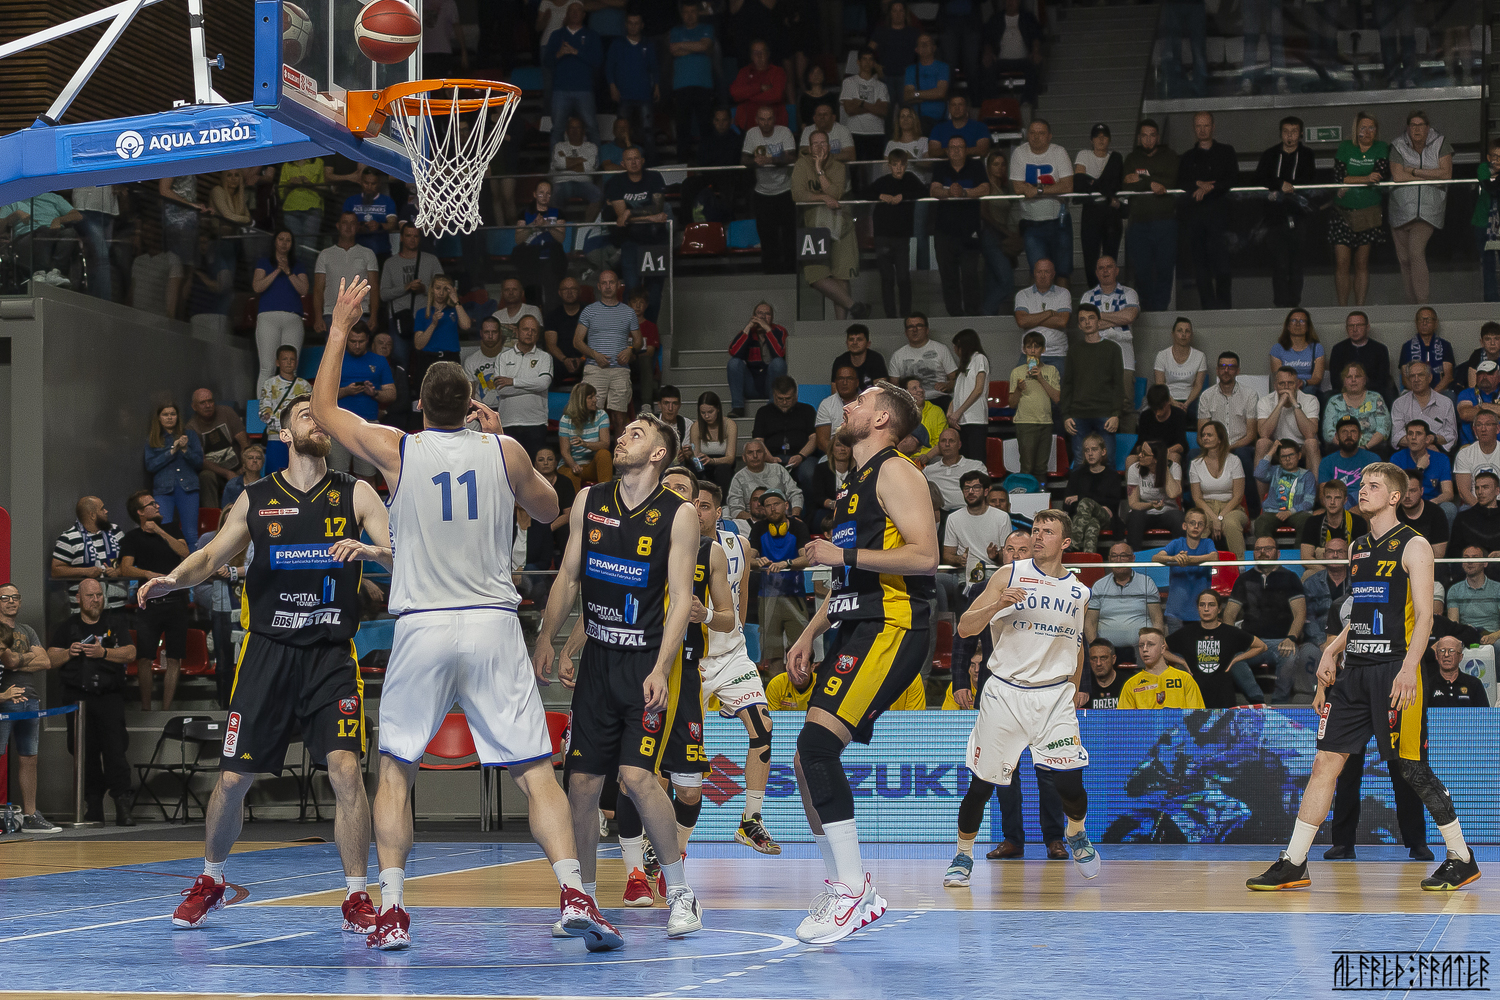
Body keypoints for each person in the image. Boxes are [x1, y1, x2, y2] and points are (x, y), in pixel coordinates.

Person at [313, 278, 622, 950]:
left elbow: (324, 408)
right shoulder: (503, 450)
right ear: (474, 406)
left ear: (420, 407)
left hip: (423, 624)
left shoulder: (399, 449)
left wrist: (339, 327)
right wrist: (506, 445)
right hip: (491, 625)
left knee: (397, 769)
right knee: (534, 770)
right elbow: (550, 510)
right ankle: (575, 892)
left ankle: (393, 909)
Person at [143, 393, 385, 932]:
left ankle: (356, 895)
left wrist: (372, 552)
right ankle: (211, 879)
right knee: (233, 779)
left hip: (330, 655)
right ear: (284, 435)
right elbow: (212, 555)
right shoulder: (257, 498)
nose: (317, 421)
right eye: (305, 415)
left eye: (322, 416)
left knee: (346, 771)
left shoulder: (356, 492)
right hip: (266, 653)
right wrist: (173, 580)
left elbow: (399, 552)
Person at [1249, 464, 1480, 892]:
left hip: (1397, 670)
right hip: (1354, 672)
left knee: (1412, 768)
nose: (1364, 490)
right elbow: (1360, 611)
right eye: (1363, 484)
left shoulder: (1415, 545)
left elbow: (1426, 618)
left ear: (1394, 497)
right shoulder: (1357, 547)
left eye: (1374, 486)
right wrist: (1331, 651)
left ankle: (1461, 857)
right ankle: (1294, 862)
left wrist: (1409, 669)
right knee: (1324, 762)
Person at [781, 381, 937, 942]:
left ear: (882, 419)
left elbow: (925, 556)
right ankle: (843, 885)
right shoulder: (853, 481)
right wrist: (809, 631)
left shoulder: (897, 471)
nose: (847, 406)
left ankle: (854, 889)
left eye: (860, 401)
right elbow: (851, 577)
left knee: (817, 748)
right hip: (853, 624)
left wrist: (839, 552)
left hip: (892, 624)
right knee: (805, 760)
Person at [948, 509, 1100, 890]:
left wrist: (1074, 689)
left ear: (1065, 542)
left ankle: (1076, 832)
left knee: (1070, 784)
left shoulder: (1079, 592)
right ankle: (963, 855)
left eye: (1047, 531)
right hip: (1005, 693)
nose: (1038, 536)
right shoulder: (1008, 575)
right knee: (981, 787)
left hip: (1054, 696)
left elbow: (1077, 646)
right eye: (1035, 529)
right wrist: (997, 605)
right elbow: (965, 627)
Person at [693, 480, 780, 852]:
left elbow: (740, 600)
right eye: (692, 504)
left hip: (731, 655)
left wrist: (739, 638)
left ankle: (751, 820)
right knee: (678, 750)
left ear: (718, 512)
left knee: (763, 726)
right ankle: (656, 836)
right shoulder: (673, 546)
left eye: (704, 506)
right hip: (691, 660)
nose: (697, 511)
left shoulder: (739, 546)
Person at [47, 579, 136, 825]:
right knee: (83, 754)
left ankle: (122, 806)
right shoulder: (67, 627)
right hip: (78, 700)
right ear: (79, 599)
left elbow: (131, 653)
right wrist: (69, 652)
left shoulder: (115, 623)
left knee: (116, 752)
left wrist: (104, 652)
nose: (95, 600)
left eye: (99, 595)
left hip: (109, 698)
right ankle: (92, 805)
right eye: (90, 596)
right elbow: (49, 659)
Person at [118, 490, 190, 711]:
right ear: (140, 512)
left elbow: (185, 552)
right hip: (149, 604)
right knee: (144, 657)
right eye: (151, 504)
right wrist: (147, 574)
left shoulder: (171, 528)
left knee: (175, 657)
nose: (157, 506)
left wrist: (159, 531)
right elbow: (125, 568)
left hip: (176, 601)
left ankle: (166, 709)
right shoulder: (132, 538)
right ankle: (146, 708)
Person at [0, 584, 61, 833]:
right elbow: (8, 661)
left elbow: (45, 661)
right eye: (5, 597)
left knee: (29, 758)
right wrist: (23, 658)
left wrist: (17, 661)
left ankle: (30, 815)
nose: (11, 601)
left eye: (15, 597)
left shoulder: (27, 630)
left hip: (30, 699)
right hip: (4, 701)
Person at [1226, 535, 1312, 703]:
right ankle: (1257, 700)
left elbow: (1300, 613)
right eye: (1258, 549)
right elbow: (1229, 614)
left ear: (1278, 553)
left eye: (1268, 549)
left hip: (1280, 642)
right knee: (1230, 655)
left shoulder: (1290, 578)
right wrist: (1233, 639)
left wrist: (1291, 638)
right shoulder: (1243, 580)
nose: (1263, 552)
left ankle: (1279, 702)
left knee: (1291, 655)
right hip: (1251, 642)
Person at [791, 131, 867, 320]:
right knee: (814, 276)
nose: (819, 147)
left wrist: (819, 170)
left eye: (823, 143)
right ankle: (855, 307)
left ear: (830, 146)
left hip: (841, 226)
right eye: (815, 144)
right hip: (813, 227)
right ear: (809, 148)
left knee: (841, 275)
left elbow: (836, 194)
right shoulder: (801, 164)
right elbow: (797, 194)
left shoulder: (838, 166)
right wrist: (823, 197)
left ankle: (841, 326)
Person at [1388, 111, 1453, 305]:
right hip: (1401, 208)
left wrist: (1414, 171)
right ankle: (1411, 304)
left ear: (1428, 127)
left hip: (1428, 209)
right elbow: (1398, 176)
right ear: (1408, 128)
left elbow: (1446, 174)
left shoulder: (1441, 143)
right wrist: (1431, 175)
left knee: (1416, 252)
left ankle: (1423, 305)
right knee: (1404, 259)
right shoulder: (1398, 145)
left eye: (1420, 125)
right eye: (1413, 125)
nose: (1416, 129)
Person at [1177, 112, 1237, 310]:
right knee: (1200, 267)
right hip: (1195, 220)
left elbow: (1232, 178)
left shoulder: (1226, 151)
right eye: (1198, 126)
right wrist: (1198, 183)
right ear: (1194, 128)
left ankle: (1225, 309)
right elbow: (1180, 182)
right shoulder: (1187, 157)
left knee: (1223, 267)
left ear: (1213, 126)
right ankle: (1208, 309)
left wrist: (1211, 187)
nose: (1202, 130)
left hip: (1220, 217)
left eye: (1206, 125)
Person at [1255, 116, 1318, 307]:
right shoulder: (1270, 154)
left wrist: (1292, 187)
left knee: (1297, 264)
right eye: (1286, 132)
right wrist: (1279, 185)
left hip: (1299, 217)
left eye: (1294, 132)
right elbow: (1259, 178)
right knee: (1280, 263)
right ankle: (1281, 305)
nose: (1290, 136)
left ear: (1300, 134)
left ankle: (1294, 305)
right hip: (1275, 218)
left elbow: (1310, 180)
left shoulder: (1307, 155)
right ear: (1281, 133)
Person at [748, 489, 811, 677]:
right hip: (767, 597)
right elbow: (748, 559)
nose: (772, 508)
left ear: (786, 505)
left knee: (800, 651)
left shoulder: (798, 527)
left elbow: (807, 558)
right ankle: (776, 690)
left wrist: (787, 563)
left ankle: (800, 688)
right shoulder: (759, 528)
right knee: (772, 654)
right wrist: (757, 562)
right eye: (767, 506)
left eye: (776, 504)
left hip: (795, 595)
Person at [1330, 112, 1390, 308]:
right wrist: (1365, 178)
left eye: (1371, 128)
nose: (1367, 132)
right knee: (1342, 262)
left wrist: (1352, 180)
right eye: (1363, 128)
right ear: (1356, 130)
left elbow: (1379, 175)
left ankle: (1360, 308)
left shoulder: (1381, 147)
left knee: (1362, 262)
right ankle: (1342, 308)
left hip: (1368, 210)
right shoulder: (1346, 147)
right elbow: (1339, 176)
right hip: (1343, 210)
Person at [1168, 590, 1266, 709]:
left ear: (1219, 609)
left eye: (1211, 605)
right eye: (1202, 605)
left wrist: (1236, 659)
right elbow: (1161, 648)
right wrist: (1182, 661)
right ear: (1198, 608)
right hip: (1195, 697)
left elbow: (1261, 646)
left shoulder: (1230, 632)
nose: (1206, 609)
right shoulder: (1186, 632)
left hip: (1224, 698)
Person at [1120, 119, 1180, 312]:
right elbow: (1126, 184)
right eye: (1144, 135)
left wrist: (1141, 179)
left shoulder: (1170, 156)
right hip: (1139, 224)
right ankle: (1146, 310)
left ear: (1158, 137)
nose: (1148, 139)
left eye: (1152, 135)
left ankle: (1161, 311)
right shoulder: (1132, 158)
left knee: (1165, 269)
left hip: (1165, 221)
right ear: (1139, 137)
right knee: (1142, 270)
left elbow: (1170, 182)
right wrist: (1151, 183)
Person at [602, 147, 669, 318]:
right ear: (623, 164)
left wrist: (631, 212)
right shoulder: (617, 182)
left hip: (656, 241)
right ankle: (631, 331)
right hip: (631, 241)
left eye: (636, 158)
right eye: (629, 159)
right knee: (631, 291)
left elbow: (657, 208)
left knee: (654, 293)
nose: (633, 162)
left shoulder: (654, 177)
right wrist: (650, 217)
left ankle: (650, 330)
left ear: (643, 161)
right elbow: (621, 217)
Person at [574, 270, 641, 435]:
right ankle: (593, 452)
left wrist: (630, 350)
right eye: (604, 283)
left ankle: (619, 452)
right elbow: (577, 341)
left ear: (618, 285)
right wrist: (595, 355)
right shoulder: (589, 311)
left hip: (620, 370)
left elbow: (638, 341)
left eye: (611, 282)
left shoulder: (628, 312)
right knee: (590, 416)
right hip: (595, 368)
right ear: (598, 286)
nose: (608, 286)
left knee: (620, 419)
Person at [1010, 119, 1075, 288]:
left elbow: (1067, 186)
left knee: (1062, 272)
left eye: (1041, 133)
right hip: (1031, 223)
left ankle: (1062, 305)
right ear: (1027, 135)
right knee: (1038, 272)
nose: (1036, 137)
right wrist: (1053, 189)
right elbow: (1018, 187)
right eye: (1032, 132)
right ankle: (1038, 305)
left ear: (1049, 136)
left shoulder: (1059, 152)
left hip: (1059, 221)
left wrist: (1038, 190)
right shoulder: (1020, 153)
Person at [929, 138, 989, 317]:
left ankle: (973, 314)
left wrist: (964, 192)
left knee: (970, 274)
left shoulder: (976, 166)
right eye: (952, 147)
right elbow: (934, 190)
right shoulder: (940, 167)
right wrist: (948, 192)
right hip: (944, 231)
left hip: (970, 230)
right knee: (948, 276)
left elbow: (985, 188)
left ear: (966, 150)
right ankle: (955, 315)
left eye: (960, 147)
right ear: (947, 151)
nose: (956, 150)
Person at [329, 325, 396, 483]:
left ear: (368, 340)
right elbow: (321, 393)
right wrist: (346, 391)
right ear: (346, 340)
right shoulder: (335, 359)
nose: (357, 345)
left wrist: (374, 393)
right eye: (353, 341)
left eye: (361, 341)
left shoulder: (379, 361)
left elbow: (392, 394)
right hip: (339, 424)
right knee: (337, 475)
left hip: (368, 424)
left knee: (367, 475)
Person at [484, 315, 554, 459]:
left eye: (533, 330)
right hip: (508, 422)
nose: (529, 333)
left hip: (536, 422)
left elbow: (543, 384)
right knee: (510, 466)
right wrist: (533, 384)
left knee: (534, 468)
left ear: (538, 335)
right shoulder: (503, 357)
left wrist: (513, 381)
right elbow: (502, 389)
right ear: (517, 331)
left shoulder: (545, 357)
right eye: (525, 329)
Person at [868, 150, 926, 319]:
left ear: (906, 165)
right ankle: (891, 316)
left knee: (903, 277)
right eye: (895, 165)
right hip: (883, 234)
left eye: (901, 165)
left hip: (901, 236)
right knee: (887, 278)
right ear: (889, 166)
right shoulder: (883, 182)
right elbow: (865, 192)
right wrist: (881, 195)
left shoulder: (910, 180)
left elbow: (924, 191)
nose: (898, 168)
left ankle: (906, 315)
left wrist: (903, 196)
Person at [741, 105, 798, 274]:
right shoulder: (752, 133)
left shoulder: (784, 132)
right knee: (767, 236)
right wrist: (755, 161)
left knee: (789, 235)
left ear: (774, 119)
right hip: (762, 193)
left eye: (769, 119)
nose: (766, 123)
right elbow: (744, 159)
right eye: (762, 119)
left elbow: (791, 157)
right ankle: (770, 273)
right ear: (756, 120)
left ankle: (790, 272)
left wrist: (770, 160)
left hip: (786, 191)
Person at [1087, 542, 1164, 663]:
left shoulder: (1146, 582)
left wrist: (1155, 645)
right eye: (1114, 556)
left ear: (1132, 558)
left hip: (1141, 648)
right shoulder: (1099, 586)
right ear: (1109, 559)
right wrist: (1096, 648)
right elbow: (1090, 623)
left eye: (1123, 556)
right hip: (1107, 651)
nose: (1118, 560)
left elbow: (1157, 620)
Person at [1081, 257, 1139, 417]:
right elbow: (1087, 325)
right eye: (1101, 268)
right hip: (1095, 357)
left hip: (1124, 356)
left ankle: (1126, 434)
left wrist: (1098, 316)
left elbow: (1129, 317)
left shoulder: (1129, 293)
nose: (1105, 271)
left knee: (1125, 404)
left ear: (1117, 270)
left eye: (1109, 267)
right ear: (1096, 273)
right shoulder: (1087, 296)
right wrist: (1118, 318)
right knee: (1098, 404)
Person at [251, 229, 310, 384]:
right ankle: (264, 401)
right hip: (268, 317)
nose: (284, 243)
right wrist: (278, 269)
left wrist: (289, 272)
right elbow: (257, 287)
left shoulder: (297, 265)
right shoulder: (264, 262)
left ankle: (290, 400)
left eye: (288, 240)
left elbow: (304, 289)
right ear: (275, 242)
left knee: (291, 368)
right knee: (267, 367)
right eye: (281, 239)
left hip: (293, 318)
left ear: (292, 244)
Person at [380, 224, 442, 369]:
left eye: (415, 236)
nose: (412, 239)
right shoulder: (390, 263)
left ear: (420, 239)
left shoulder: (431, 260)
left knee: (429, 363)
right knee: (400, 363)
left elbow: (443, 291)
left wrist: (424, 289)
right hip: (399, 319)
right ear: (401, 238)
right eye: (408, 236)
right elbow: (383, 294)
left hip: (426, 319)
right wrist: (406, 287)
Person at [52, 496, 128, 611]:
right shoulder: (68, 538)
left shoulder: (115, 531)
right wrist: (85, 571)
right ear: (92, 515)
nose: (106, 511)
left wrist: (118, 571)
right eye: (102, 509)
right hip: (83, 609)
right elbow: (56, 570)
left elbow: (129, 561)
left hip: (117, 605)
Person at [144, 402, 203, 550]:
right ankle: (168, 563)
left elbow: (199, 463)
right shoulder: (153, 438)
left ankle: (193, 563)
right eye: (165, 414)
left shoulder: (189, 435)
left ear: (178, 417)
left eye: (173, 414)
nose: (169, 417)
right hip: (163, 490)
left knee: (190, 533)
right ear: (159, 418)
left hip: (188, 488)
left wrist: (185, 450)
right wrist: (171, 451)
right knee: (164, 531)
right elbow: (150, 466)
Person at [544, 1, 603, 148]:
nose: (575, 13)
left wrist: (576, 52)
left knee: (591, 128)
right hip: (561, 89)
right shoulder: (557, 35)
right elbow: (547, 62)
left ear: (584, 15)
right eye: (572, 10)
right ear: (567, 14)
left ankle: (596, 161)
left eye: (578, 10)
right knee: (557, 129)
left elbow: (598, 61)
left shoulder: (592, 35)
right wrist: (559, 54)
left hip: (584, 89)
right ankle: (555, 162)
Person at [312, 213, 381, 335]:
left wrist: (374, 316)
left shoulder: (368, 254)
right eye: (344, 223)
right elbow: (318, 289)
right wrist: (318, 317)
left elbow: (374, 288)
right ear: (338, 226)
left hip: (361, 314)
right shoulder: (325, 254)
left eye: (352, 223)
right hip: (332, 314)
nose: (348, 227)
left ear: (358, 227)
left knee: (359, 346)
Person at [942, 471, 1012, 589]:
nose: (970, 492)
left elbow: (1008, 556)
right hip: (964, 574)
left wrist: (995, 556)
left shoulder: (1002, 517)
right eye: (966, 488)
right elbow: (947, 555)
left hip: (993, 573)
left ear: (986, 491)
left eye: (976, 488)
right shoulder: (953, 518)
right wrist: (959, 559)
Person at [1153, 509, 1219, 633]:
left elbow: (1214, 557)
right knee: (1175, 644)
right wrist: (1174, 558)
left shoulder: (1207, 543)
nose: (1196, 526)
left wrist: (1189, 560)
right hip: (1175, 610)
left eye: (1200, 524)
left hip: (1200, 611)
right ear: (1185, 526)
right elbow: (1156, 558)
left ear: (1205, 529)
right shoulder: (1177, 543)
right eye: (1192, 523)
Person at [1189, 420, 1249, 556]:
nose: (1205, 438)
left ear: (1220, 439)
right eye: (1203, 435)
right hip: (1206, 507)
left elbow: (1238, 496)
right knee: (1198, 523)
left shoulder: (1234, 461)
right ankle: (1195, 563)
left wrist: (1220, 517)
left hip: (1231, 507)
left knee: (1231, 523)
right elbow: (1197, 498)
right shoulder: (1196, 464)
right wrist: (1214, 518)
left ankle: (1240, 564)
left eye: (1209, 435)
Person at [1198, 351, 1260, 481]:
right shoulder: (1207, 396)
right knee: (1193, 455)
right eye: (1222, 367)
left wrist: (1228, 447)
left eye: (1231, 367)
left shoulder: (1250, 395)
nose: (1226, 371)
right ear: (1217, 370)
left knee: (1243, 455)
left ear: (1238, 371)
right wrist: (1214, 447)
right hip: (1213, 446)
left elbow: (1251, 434)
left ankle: (1250, 495)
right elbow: (1201, 433)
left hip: (1240, 446)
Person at [1073, 124, 1124, 283]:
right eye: (1097, 136)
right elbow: (1079, 182)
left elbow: (1115, 185)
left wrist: (1092, 184)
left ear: (1109, 139)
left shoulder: (1116, 158)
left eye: (1104, 136)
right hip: (1091, 212)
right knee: (1090, 259)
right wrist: (1105, 189)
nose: (1101, 139)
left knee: (1110, 258)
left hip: (1110, 213)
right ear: (1091, 140)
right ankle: (1094, 292)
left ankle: (1110, 290)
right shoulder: (1084, 154)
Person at [668, 0, 715, 164]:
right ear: (681, 14)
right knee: (682, 129)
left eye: (693, 11)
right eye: (686, 12)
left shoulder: (707, 28)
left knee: (706, 128)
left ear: (698, 13)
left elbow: (705, 46)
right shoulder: (675, 30)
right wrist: (696, 46)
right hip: (681, 85)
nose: (689, 15)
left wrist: (683, 46)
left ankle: (707, 165)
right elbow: (673, 50)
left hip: (703, 85)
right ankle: (683, 166)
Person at [752, 376, 819, 490]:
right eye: (780, 398)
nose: (784, 402)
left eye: (788, 398)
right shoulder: (763, 412)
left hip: (803, 458)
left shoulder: (807, 410)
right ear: (774, 395)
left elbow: (814, 438)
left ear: (795, 395)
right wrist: (770, 458)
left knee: (810, 473)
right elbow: (758, 440)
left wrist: (801, 456)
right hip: (772, 457)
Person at [1011, 331, 1061, 479]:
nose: (1033, 350)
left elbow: (1057, 398)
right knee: (1027, 466)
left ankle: (1042, 491)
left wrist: (1040, 378)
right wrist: (1018, 390)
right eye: (1029, 347)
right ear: (1024, 349)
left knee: (1041, 467)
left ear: (1043, 349)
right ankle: (1027, 492)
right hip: (1025, 422)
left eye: (1037, 347)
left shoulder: (1051, 370)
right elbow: (1012, 403)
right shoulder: (1017, 372)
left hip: (1046, 422)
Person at [187, 389, 250, 506]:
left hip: (239, 467)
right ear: (194, 406)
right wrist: (227, 473)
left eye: (210, 401)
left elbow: (244, 443)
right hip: (216, 473)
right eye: (202, 403)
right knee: (205, 476)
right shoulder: (191, 427)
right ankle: (213, 514)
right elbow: (201, 461)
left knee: (253, 462)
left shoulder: (227, 412)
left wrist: (245, 465)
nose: (208, 405)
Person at [726, 301, 789, 417]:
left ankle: (773, 406)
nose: (763, 317)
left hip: (771, 385)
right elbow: (733, 351)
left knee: (778, 363)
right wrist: (748, 327)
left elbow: (780, 353)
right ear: (754, 316)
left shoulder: (780, 331)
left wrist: (768, 330)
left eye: (767, 314)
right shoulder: (747, 333)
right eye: (759, 313)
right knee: (734, 362)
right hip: (751, 385)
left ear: (772, 317)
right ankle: (738, 407)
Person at [1117, 628, 1206, 709]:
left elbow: (1198, 716)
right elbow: (1124, 719)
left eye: (1150, 644)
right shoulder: (1131, 684)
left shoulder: (1185, 679)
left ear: (1162, 649)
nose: (1144, 649)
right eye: (1141, 645)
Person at [979, 149, 1021, 317]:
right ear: (988, 167)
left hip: (1001, 235)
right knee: (1006, 283)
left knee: (993, 281)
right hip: (991, 235)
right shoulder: (987, 185)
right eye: (995, 164)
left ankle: (989, 318)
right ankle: (987, 310)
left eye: (1003, 164)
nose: (1000, 168)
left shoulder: (1004, 187)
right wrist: (1006, 232)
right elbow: (984, 213)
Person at [1063, 434, 1121, 555]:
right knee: (1092, 524)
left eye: (1094, 449)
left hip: (1105, 517)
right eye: (1086, 450)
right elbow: (1067, 504)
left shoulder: (1112, 476)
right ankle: (1089, 561)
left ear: (1103, 451)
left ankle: (1073, 544)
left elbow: (1113, 503)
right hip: (1083, 518)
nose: (1090, 453)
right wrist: (1097, 502)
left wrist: (1080, 498)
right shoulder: (1077, 475)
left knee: (1085, 502)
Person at [1014, 259, 1071, 379]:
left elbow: (1062, 322)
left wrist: (1032, 318)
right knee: (1027, 389)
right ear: (1034, 273)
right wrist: (1049, 313)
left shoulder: (1063, 293)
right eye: (1039, 272)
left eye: (1047, 272)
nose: (1043, 276)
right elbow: (1022, 322)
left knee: (1055, 391)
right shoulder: (1023, 294)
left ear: (1053, 274)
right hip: (1030, 355)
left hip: (1056, 354)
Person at [1255, 366, 1320, 471]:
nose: (1286, 387)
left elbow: (1310, 433)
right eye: (1282, 384)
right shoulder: (1265, 401)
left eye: (1290, 383)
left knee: (1312, 443)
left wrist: (1294, 403)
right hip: (1277, 447)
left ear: (1297, 384)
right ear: (1275, 385)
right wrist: (1280, 404)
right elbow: (1264, 433)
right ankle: (1260, 482)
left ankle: (1313, 482)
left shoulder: (1310, 400)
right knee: (1261, 443)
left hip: (1301, 447)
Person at [259, 346, 313, 473]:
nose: (289, 362)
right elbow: (264, 411)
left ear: (296, 362)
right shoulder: (269, 384)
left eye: (292, 359)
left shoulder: (304, 385)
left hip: (299, 439)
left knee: (299, 474)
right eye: (284, 359)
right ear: (277, 362)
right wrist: (281, 426)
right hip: (276, 438)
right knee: (275, 475)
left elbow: (309, 410)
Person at [890, 313, 958, 411]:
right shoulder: (897, 355)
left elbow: (954, 378)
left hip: (938, 399)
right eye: (910, 327)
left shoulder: (941, 349)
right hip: (909, 403)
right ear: (906, 332)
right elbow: (894, 386)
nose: (915, 330)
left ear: (927, 330)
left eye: (919, 326)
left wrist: (948, 386)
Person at [1122, 439, 1182, 549]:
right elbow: (1133, 503)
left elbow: (1173, 494)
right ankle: (1134, 556)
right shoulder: (1134, 469)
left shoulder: (1174, 467)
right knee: (1135, 517)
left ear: (1155, 459)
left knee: (1178, 518)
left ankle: (1181, 555)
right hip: (1144, 511)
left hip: (1168, 512)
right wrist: (1151, 505)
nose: (1140, 455)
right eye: (1141, 452)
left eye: (1144, 454)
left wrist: (1164, 467)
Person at [1253, 439, 1316, 539]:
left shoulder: (1307, 476)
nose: (1287, 459)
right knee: (1261, 522)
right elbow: (1258, 473)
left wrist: (1289, 512)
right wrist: (1272, 451)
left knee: (1307, 520)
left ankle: (1302, 549)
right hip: (1273, 511)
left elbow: (1309, 502)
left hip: (1297, 513)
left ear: (1299, 455)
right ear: (1279, 459)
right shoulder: (1275, 471)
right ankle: (1267, 548)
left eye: (1291, 455)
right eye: (1283, 456)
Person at [1391, 420, 1456, 519]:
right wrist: (1419, 469)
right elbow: (1395, 491)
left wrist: (1430, 504)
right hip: (1406, 503)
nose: (1413, 437)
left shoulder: (1441, 459)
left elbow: (1448, 493)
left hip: (1432, 503)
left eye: (1418, 434)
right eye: (1410, 434)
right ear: (1407, 438)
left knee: (1449, 508)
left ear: (1427, 439)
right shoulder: (1396, 458)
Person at [1321, 367, 1391, 457]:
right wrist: (1347, 448)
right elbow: (1328, 432)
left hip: (1372, 448)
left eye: (1357, 376)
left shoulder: (1376, 398)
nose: (1353, 380)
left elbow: (1384, 429)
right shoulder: (1334, 401)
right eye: (1349, 377)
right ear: (1344, 381)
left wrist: (1366, 447)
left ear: (1365, 380)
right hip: (1341, 449)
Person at [557, 382, 613, 489]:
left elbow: (605, 444)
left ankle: (606, 495)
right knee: (570, 475)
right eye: (590, 397)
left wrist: (585, 444)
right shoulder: (566, 419)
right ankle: (577, 500)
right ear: (580, 401)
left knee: (604, 454)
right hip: (571, 465)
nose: (595, 400)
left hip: (592, 465)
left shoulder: (601, 415)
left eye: (595, 396)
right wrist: (574, 466)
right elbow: (565, 452)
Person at [840, 48, 891, 163]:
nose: (867, 62)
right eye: (864, 59)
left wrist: (862, 103)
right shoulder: (849, 82)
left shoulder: (881, 86)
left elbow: (883, 111)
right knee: (855, 167)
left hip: (877, 132)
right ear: (858, 62)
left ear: (874, 63)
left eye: (870, 59)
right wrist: (874, 107)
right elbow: (849, 110)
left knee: (875, 168)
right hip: (854, 131)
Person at [1329, 311, 1395, 400]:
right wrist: (1351, 390)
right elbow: (1335, 380)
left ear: (1367, 327)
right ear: (1346, 328)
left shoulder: (1380, 349)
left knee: (1388, 394)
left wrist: (1361, 389)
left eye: (1359, 325)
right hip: (1345, 393)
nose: (1355, 329)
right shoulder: (1338, 349)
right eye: (1351, 326)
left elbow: (1382, 379)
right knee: (1328, 396)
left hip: (1373, 392)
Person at [1391, 361, 1457, 451]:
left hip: (1437, 449)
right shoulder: (1399, 403)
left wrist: (1433, 439)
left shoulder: (1445, 402)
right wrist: (1423, 445)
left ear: (1429, 378)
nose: (1416, 379)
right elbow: (1396, 437)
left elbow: (1451, 436)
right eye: (1412, 376)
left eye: (1420, 375)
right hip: (1408, 450)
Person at [1299, 480, 1367, 563]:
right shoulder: (1312, 522)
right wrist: (1325, 570)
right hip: (1320, 568)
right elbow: (1306, 558)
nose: (1332, 502)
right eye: (1328, 497)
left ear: (1345, 500)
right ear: (1324, 500)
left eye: (1337, 498)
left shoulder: (1359, 522)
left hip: (1350, 567)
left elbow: (1361, 556)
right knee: (1309, 571)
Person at [948, 330, 990, 461]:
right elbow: (958, 393)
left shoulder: (979, 358)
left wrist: (958, 412)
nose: (955, 350)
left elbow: (978, 390)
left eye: (957, 346)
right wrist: (950, 412)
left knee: (976, 458)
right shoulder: (963, 365)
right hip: (960, 420)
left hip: (975, 418)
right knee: (963, 459)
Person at [924, 428, 988, 512]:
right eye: (943, 441)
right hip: (942, 514)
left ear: (959, 445)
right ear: (939, 445)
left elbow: (986, 491)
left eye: (951, 441)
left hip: (970, 512)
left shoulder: (976, 466)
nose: (947, 444)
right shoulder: (928, 470)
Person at [1398, 308, 1457, 395]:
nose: (1424, 323)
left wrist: (1432, 394)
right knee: (1402, 399)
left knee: (1450, 395)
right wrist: (1419, 393)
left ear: (1435, 323)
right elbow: (1405, 378)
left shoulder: (1445, 345)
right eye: (1421, 319)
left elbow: (1448, 376)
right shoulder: (1407, 347)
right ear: (1416, 323)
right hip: (1413, 391)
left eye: (1428, 320)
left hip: (1439, 391)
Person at [895, 375, 950, 466]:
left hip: (931, 457)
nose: (920, 390)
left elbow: (942, 442)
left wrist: (927, 457)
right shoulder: (898, 413)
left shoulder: (936, 411)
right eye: (914, 388)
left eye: (920, 387)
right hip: (903, 457)